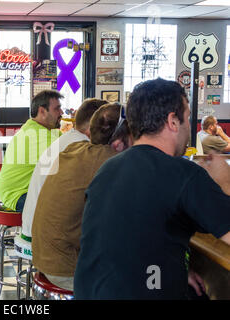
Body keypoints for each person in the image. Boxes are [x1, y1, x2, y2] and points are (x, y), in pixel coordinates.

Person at [73, 78, 230, 300]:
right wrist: (225, 182)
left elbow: (129, 239)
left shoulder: (107, 169)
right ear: (173, 121)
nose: (187, 127)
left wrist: (170, 271)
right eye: (186, 118)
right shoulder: (184, 174)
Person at [31, 103, 132, 291]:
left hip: (44, 257)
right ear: (118, 144)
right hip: (66, 268)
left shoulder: (75, 148)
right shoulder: (110, 161)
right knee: (151, 280)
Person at [21, 98, 108, 240]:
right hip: (42, 237)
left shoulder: (68, 139)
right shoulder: (82, 149)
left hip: (32, 227)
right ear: (95, 126)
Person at [0, 90, 63, 212]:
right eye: (57, 109)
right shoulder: (37, 135)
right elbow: (72, 158)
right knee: (69, 207)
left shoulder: (46, 130)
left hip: (27, 190)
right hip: (18, 195)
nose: (62, 113)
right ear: (42, 111)